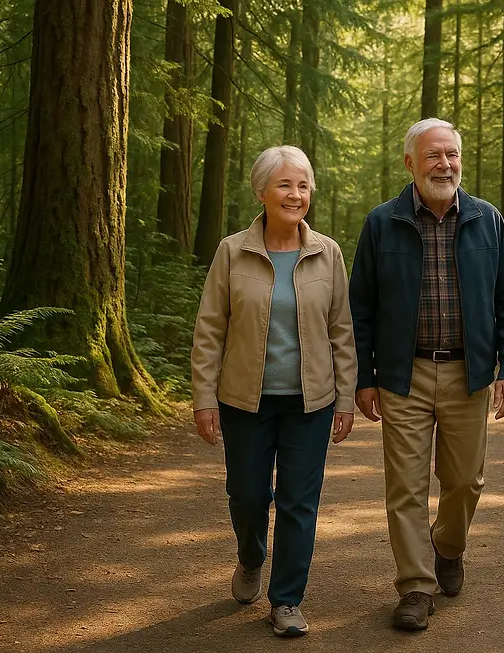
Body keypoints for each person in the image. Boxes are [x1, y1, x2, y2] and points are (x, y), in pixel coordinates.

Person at [349, 118, 504, 631]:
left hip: (469, 375)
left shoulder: (488, 221)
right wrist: (364, 377)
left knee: (465, 481)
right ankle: (415, 587)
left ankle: (447, 548)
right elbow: (360, 308)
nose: (444, 164)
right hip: (402, 375)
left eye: (451, 154)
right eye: (432, 155)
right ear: (410, 162)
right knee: (404, 487)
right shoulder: (383, 223)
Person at [190, 145, 357, 638]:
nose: (295, 194)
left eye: (303, 185)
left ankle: (286, 600)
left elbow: (342, 331)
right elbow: (209, 330)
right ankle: (250, 556)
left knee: (299, 503)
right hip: (244, 399)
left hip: (311, 402)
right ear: (261, 192)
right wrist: (203, 398)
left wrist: (345, 398)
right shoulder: (231, 251)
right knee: (246, 495)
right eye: (285, 185)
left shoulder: (328, 253)